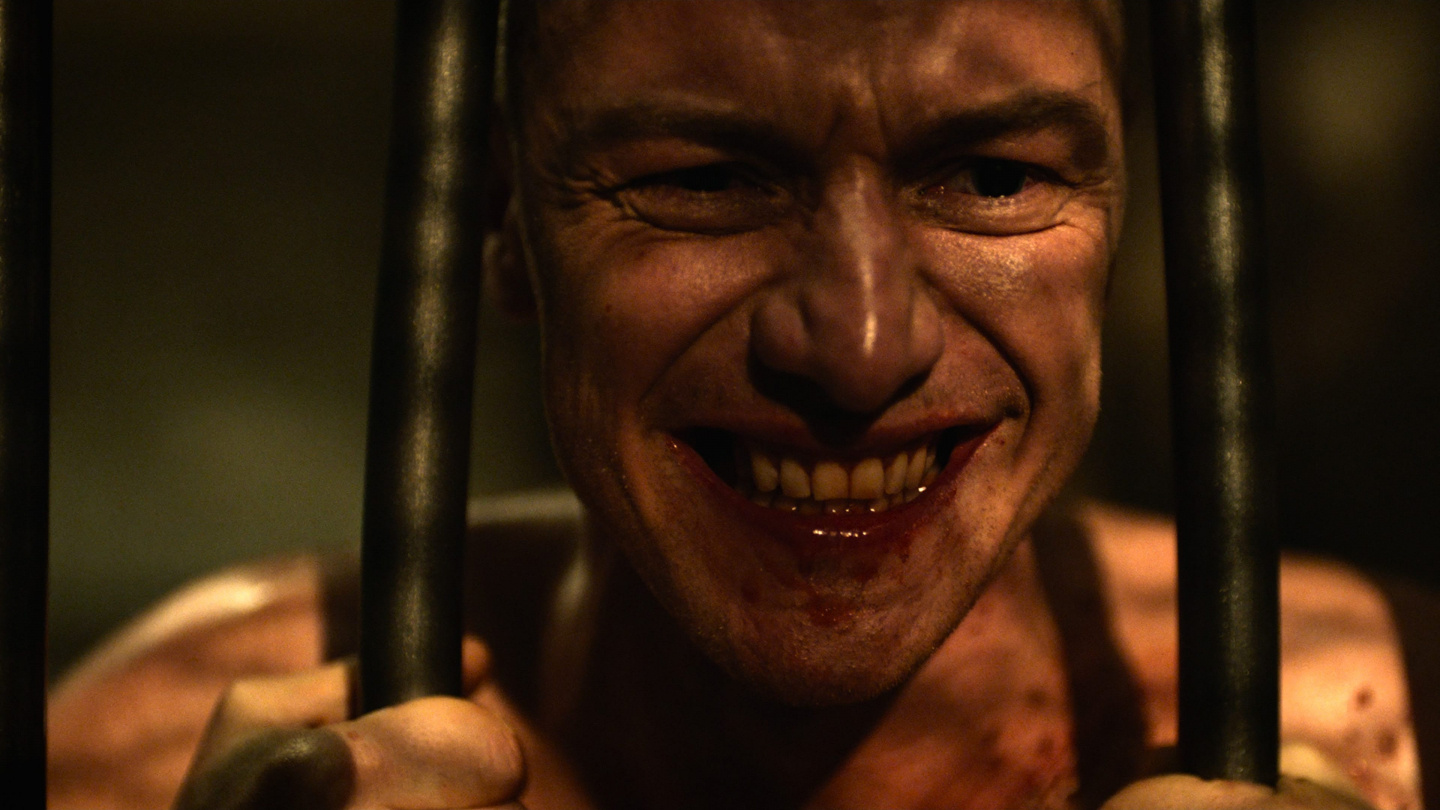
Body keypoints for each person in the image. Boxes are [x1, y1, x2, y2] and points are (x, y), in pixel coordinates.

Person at [44, 2, 1428, 808]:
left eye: (993, 178)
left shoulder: (1399, 720)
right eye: (704, 180)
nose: (860, 348)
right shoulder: (149, 762)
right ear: (501, 222)